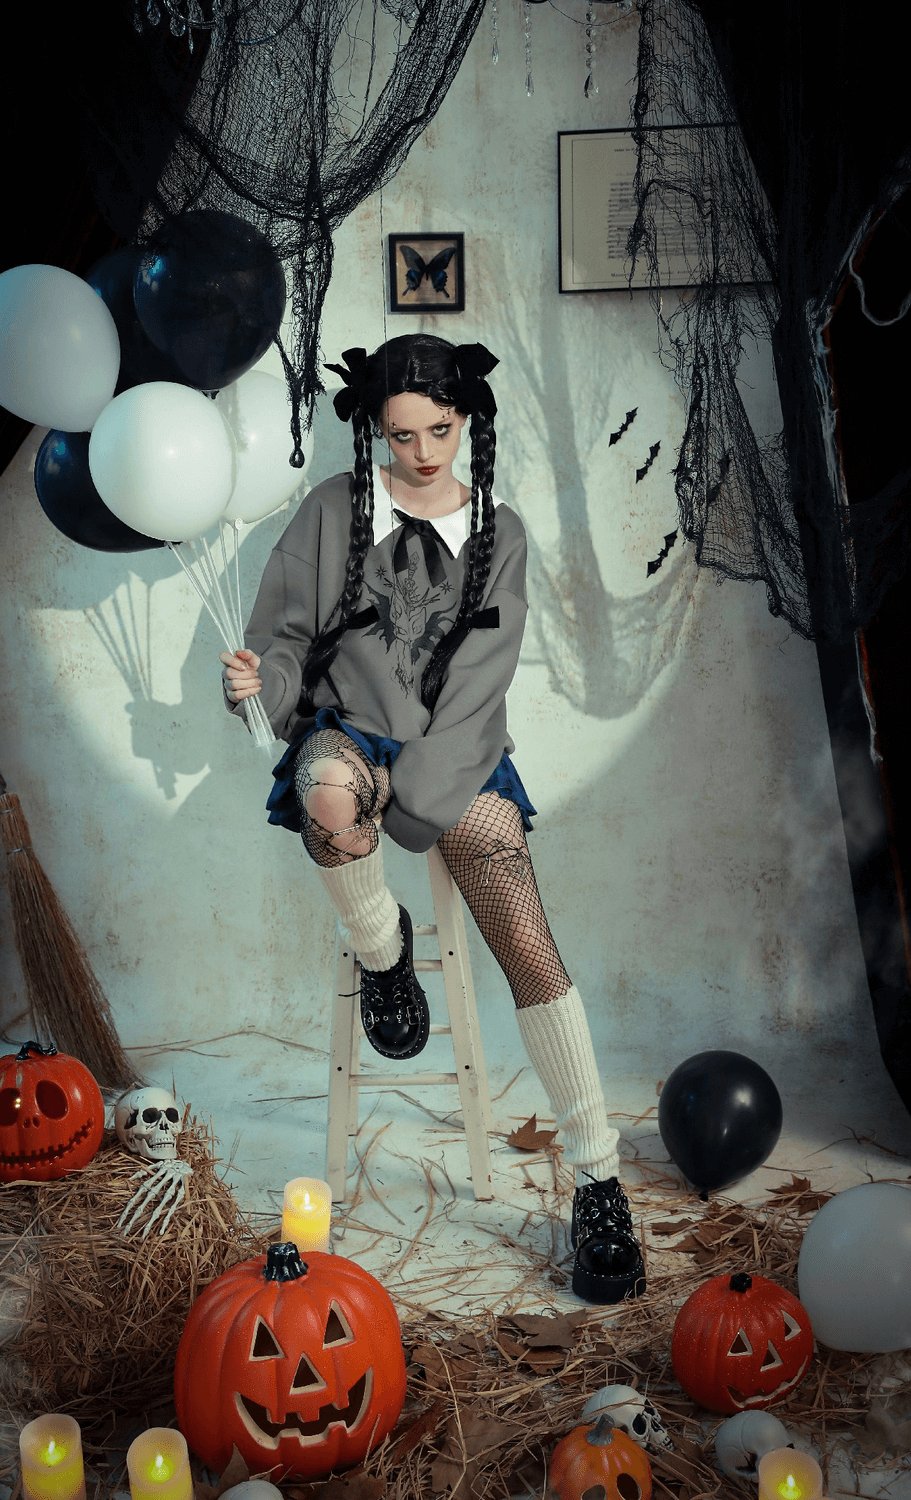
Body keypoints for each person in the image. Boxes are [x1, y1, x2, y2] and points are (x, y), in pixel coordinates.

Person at [220, 334, 645, 1303]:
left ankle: (596, 1175)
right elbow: (283, 641)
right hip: (354, 733)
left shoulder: (503, 532)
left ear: (466, 422)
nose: (420, 452)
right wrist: (257, 683)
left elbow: (478, 689)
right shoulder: (332, 513)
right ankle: (381, 950)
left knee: (526, 937)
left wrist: (422, 802)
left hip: (459, 754)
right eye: (399, 434)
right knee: (325, 789)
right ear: (373, 428)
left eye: (439, 431)